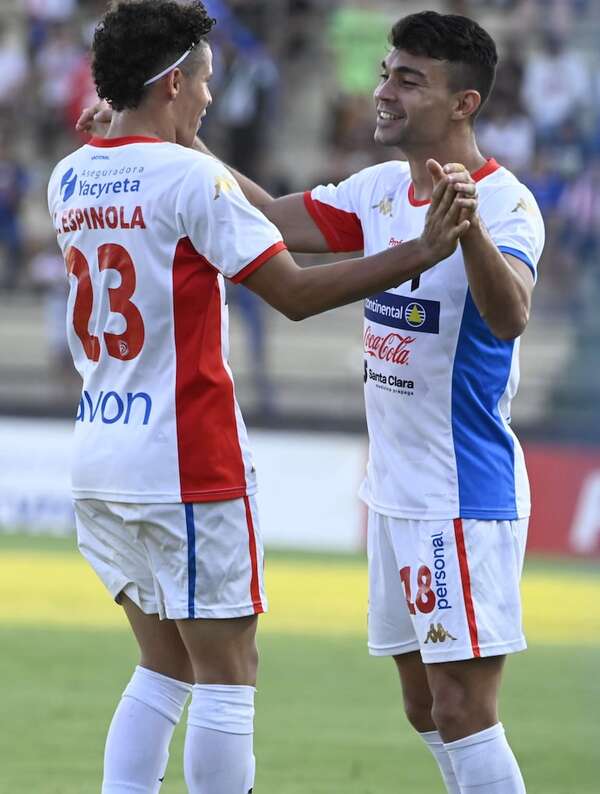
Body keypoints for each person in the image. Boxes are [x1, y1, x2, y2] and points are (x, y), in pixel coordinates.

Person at [56, 3, 475, 793]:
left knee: (162, 664)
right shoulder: (190, 177)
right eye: (207, 81)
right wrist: (419, 249)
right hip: (188, 458)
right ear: (174, 82)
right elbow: (293, 292)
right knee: (229, 672)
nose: (211, 98)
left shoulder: (70, 173)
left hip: (100, 451)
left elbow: (164, 192)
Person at [138, 9, 539, 793]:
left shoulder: (505, 204)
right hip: (393, 492)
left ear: (464, 104)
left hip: (461, 493)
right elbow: (266, 218)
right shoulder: (381, 189)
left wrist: (467, 236)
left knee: (464, 706)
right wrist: (177, 141)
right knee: (425, 705)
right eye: (387, 72)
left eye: (408, 80)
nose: (383, 91)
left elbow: (512, 312)